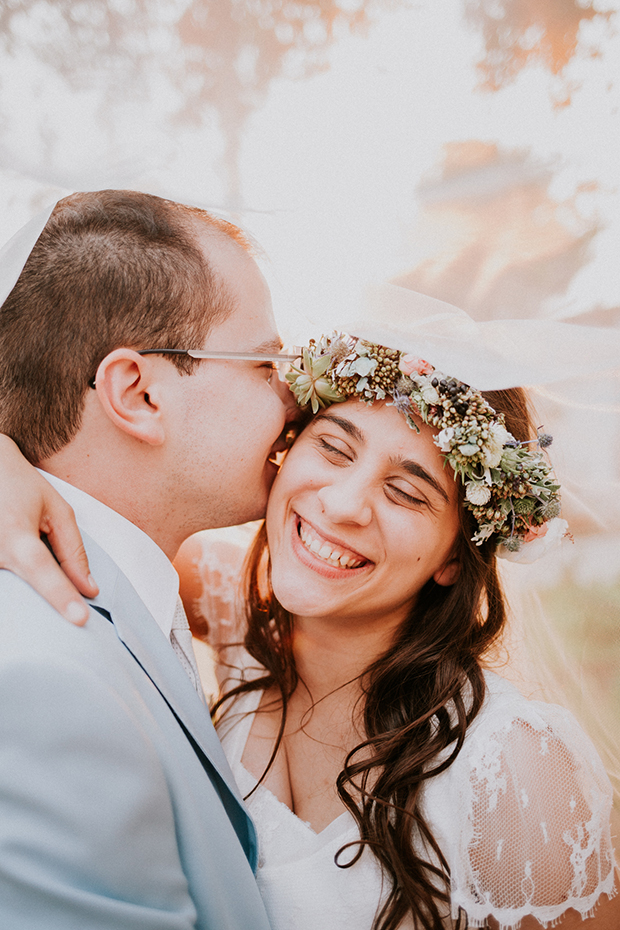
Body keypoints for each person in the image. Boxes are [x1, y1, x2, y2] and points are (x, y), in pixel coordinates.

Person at [1, 280, 619, 928]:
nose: (344, 504)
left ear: (454, 559)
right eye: (333, 447)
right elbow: (84, 520)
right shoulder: (237, 614)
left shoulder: (515, 764)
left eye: (407, 493)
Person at [0, 189, 304, 929]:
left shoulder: (143, 598)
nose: (298, 397)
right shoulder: (40, 681)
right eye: (264, 364)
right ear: (136, 393)